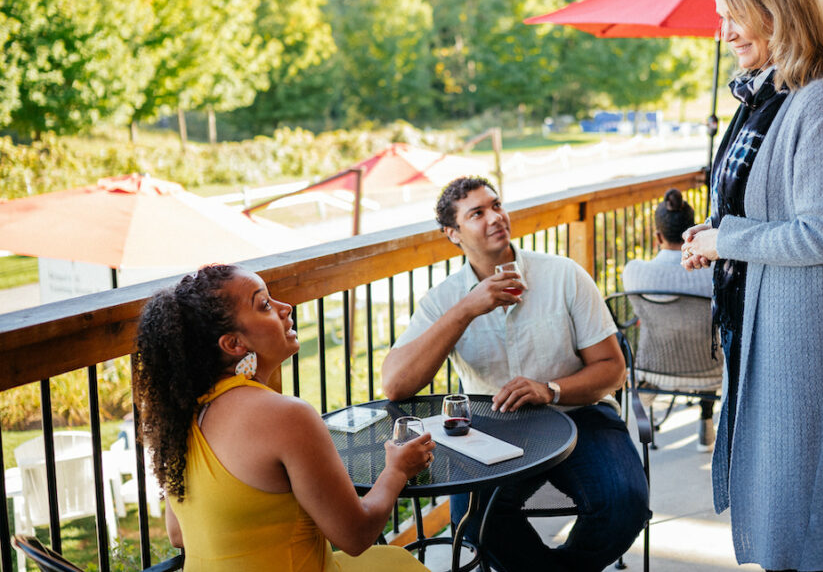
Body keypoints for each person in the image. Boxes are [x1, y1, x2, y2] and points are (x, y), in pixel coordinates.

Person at [681, 0, 823, 571]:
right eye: (722, 17)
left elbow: (822, 235)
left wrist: (727, 240)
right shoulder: (760, 101)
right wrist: (712, 236)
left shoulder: (820, 102)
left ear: (779, 11)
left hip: (799, 339)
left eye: (736, 15)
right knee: (779, 508)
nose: (727, 31)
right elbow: (759, 207)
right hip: (757, 326)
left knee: (806, 517)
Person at [381, 176, 649, 572]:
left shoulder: (563, 274)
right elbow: (395, 383)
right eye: (477, 213)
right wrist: (467, 309)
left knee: (624, 502)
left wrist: (550, 389)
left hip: (580, 417)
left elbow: (613, 370)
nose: (495, 217)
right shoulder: (445, 299)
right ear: (452, 233)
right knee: (475, 525)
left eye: (496, 205)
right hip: (491, 430)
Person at [134, 264, 435, 572]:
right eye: (264, 304)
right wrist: (397, 470)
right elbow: (356, 536)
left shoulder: (182, 412)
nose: (284, 307)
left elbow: (178, 533)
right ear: (234, 344)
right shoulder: (285, 416)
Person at [621, 188, 719, 451]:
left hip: (655, 371)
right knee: (710, 338)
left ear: (657, 236)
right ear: (692, 232)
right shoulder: (713, 274)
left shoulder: (634, 273)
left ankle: (644, 444)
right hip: (711, 372)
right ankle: (706, 421)